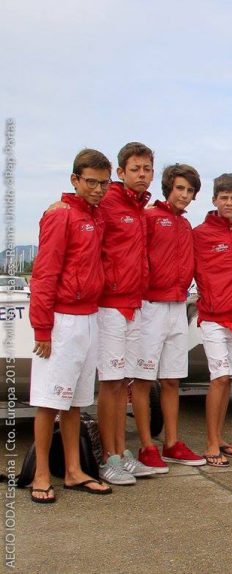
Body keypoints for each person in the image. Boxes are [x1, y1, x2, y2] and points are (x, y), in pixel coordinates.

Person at [28, 148, 115, 502]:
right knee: (50, 401)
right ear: (75, 179)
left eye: (103, 183)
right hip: (62, 320)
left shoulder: (95, 216)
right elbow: (44, 273)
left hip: (89, 316)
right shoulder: (60, 215)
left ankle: (74, 471)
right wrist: (42, 329)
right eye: (90, 182)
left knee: (76, 402)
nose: (97, 189)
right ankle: (41, 474)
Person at [131, 164, 205, 472]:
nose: (185, 195)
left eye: (190, 191)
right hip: (150, 306)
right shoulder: (148, 217)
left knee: (172, 379)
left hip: (178, 305)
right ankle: (147, 445)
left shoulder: (186, 226)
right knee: (144, 379)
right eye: (180, 189)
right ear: (168, 188)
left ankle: (172, 443)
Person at [96, 142, 156, 485]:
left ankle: (122, 452)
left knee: (124, 383)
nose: (142, 175)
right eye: (135, 169)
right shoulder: (107, 202)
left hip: (135, 303)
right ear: (120, 172)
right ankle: (108, 457)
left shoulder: (138, 208)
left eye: (147, 169)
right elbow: (74, 209)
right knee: (111, 381)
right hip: (110, 304)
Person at [193, 173, 232, 467]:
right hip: (213, 317)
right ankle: (210, 443)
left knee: (228, 380)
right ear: (214, 200)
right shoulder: (199, 234)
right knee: (218, 378)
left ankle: (220, 436)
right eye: (224, 197)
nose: (229, 202)